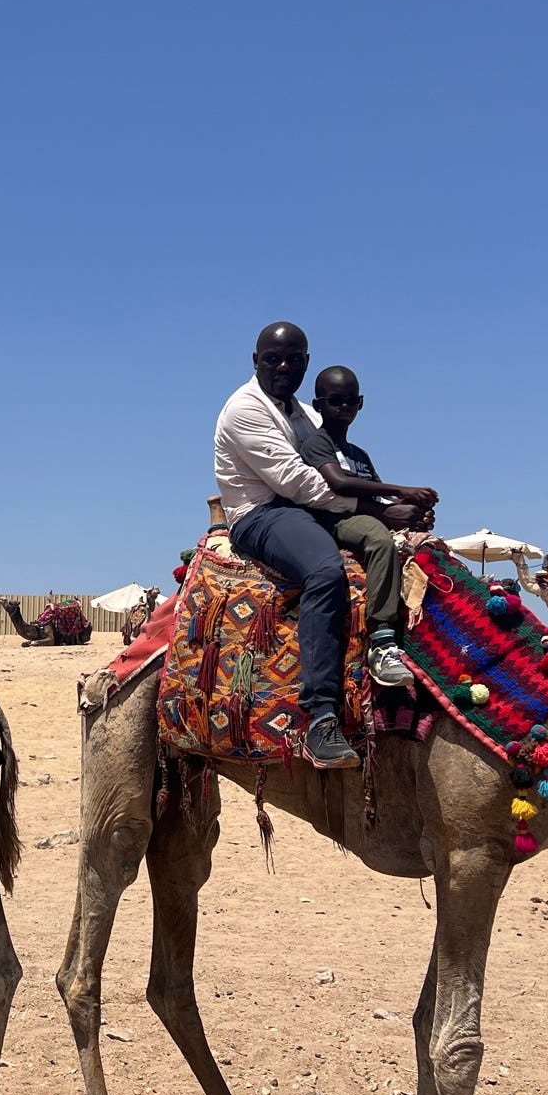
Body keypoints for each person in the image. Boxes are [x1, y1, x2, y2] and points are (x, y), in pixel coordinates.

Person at [212, 324, 364, 769]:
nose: (284, 367)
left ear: (307, 362)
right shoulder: (245, 410)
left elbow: (335, 463)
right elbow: (295, 482)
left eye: (294, 358)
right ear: (254, 360)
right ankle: (320, 717)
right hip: (261, 514)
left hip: (307, 507)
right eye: (274, 358)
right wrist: (371, 506)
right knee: (325, 571)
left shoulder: (305, 414)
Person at [294, 365, 437, 692]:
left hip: (362, 513)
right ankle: (382, 639)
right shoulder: (318, 443)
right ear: (318, 405)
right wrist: (402, 492)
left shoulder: (359, 454)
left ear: (360, 403)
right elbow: (339, 483)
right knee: (378, 539)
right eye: (335, 400)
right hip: (330, 519)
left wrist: (413, 513)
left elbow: (375, 491)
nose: (343, 407)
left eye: (350, 401)